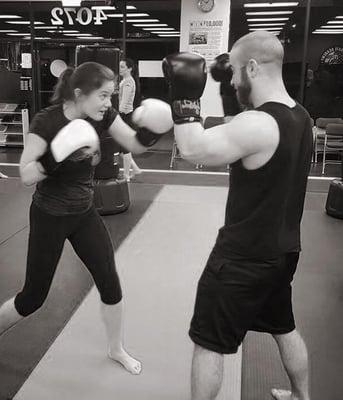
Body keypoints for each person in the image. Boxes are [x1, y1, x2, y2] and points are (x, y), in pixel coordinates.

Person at [163, 30, 313, 400]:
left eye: (233, 73)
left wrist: (184, 94)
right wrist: (230, 89)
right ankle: (300, 397)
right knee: (284, 327)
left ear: (251, 67)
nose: (229, 80)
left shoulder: (258, 125)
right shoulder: (301, 117)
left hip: (243, 258)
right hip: (283, 251)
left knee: (208, 344)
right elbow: (247, 134)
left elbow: (193, 149)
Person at [0, 62, 172, 375]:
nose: (109, 102)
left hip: (83, 214)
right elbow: (25, 174)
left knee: (110, 282)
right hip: (49, 217)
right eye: (104, 95)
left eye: (112, 95)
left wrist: (153, 129)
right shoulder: (47, 121)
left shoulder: (102, 115)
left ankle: (116, 348)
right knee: (32, 299)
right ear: (80, 94)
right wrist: (56, 154)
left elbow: (134, 144)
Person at [119, 57, 142, 181]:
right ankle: (135, 168)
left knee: (124, 148)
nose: (120, 69)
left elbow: (124, 103)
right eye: (120, 66)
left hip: (125, 116)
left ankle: (126, 175)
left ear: (130, 69)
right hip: (125, 115)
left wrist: (117, 115)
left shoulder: (128, 81)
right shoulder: (126, 80)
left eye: (122, 67)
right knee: (121, 148)